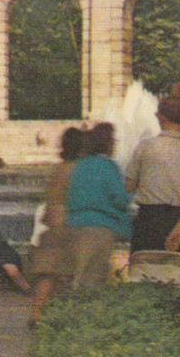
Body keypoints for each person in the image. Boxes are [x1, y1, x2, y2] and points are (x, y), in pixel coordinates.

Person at [125, 89, 180, 257]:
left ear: (160, 117)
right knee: (178, 275)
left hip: (149, 220)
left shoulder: (145, 147)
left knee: (144, 275)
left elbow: (129, 186)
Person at [28, 127, 87, 326]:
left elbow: (50, 200)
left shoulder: (59, 168)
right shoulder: (82, 170)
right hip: (73, 226)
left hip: (53, 226)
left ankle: (37, 313)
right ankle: (71, 316)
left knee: (48, 275)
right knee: (73, 274)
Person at [65, 123, 132, 288]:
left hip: (75, 225)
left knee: (80, 274)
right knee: (94, 278)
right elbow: (119, 199)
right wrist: (132, 193)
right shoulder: (107, 167)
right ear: (107, 143)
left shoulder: (80, 165)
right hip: (100, 227)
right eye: (113, 140)